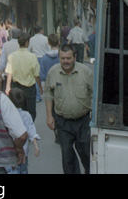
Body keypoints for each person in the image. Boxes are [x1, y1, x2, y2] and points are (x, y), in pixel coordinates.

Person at [44, 43, 94, 174]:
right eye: (62, 58)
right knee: (67, 157)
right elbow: (48, 94)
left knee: (87, 154)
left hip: (83, 121)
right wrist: (49, 116)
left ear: (75, 57)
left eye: (68, 58)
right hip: (63, 122)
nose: (65, 61)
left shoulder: (86, 72)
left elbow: (95, 93)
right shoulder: (53, 73)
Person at [5, 32, 42, 122]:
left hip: (16, 87)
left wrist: (7, 87)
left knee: (17, 111)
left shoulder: (12, 56)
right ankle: (29, 128)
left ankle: (20, 129)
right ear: (27, 42)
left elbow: (10, 72)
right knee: (31, 112)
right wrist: (40, 88)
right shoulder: (32, 56)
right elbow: (36, 76)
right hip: (29, 88)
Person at [6, 88, 40, 175]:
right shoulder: (26, 115)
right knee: (23, 170)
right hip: (24, 151)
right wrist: (36, 146)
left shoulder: (6, 115)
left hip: (9, 151)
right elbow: (32, 131)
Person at [29, 25, 49, 102]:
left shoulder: (31, 39)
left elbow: (29, 49)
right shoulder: (45, 39)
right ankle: (48, 94)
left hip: (35, 58)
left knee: (36, 77)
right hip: (44, 58)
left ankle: (37, 96)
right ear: (41, 30)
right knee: (47, 76)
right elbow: (49, 49)